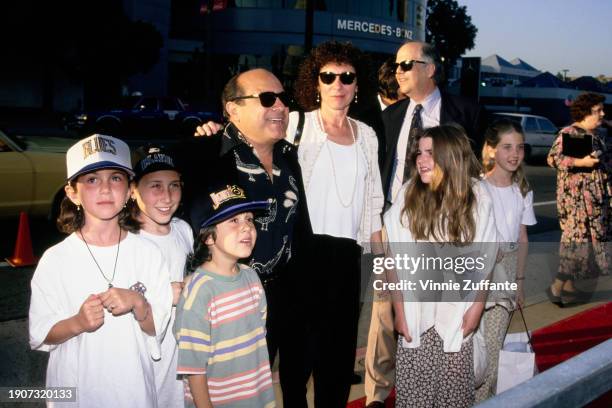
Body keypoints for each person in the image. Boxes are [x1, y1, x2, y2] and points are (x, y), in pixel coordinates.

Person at [174, 68, 312, 406]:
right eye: (267, 98)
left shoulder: (289, 156)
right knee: (230, 390)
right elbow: (161, 204)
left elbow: (299, 226)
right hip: (229, 301)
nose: (281, 106)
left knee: (283, 386)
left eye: (284, 99)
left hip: (287, 295)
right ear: (232, 109)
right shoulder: (204, 154)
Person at [364, 40, 486, 408]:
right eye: (397, 65)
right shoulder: (389, 117)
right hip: (393, 225)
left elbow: (475, 170)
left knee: (440, 307)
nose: (398, 71)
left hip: (445, 227)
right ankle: (376, 394)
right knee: (385, 309)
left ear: (430, 69)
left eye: (407, 64)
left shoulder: (466, 112)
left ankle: (440, 383)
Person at [29, 134, 172, 407]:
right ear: (72, 193)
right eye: (92, 180)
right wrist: (78, 323)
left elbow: (157, 329)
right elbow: (41, 333)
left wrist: (138, 303)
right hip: (78, 392)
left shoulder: (148, 254)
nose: (105, 189)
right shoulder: (56, 260)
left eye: (115, 178)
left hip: (134, 392)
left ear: (130, 190)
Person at [285, 40, 384, 407]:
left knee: (338, 359)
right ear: (317, 82)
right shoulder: (297, 124)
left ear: (358, 86)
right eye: (329, 76)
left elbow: (373, 204)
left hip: (347, 258)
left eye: (347, 77)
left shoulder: (368, 136)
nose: (338, 84)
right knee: (297, 361)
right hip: (302, 256)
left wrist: (385, 264)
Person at [384, 125, 497, 407]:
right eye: (419, 153)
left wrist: (477, 307)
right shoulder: (409, 193)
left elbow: (486, 258)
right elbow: (393, 258)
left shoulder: (477, 196)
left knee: (453, 399)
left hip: (457, 317)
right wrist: (399, 310)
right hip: (416, 315)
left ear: (451, 157)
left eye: (430, 153)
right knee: (414, 399)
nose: (421, 160)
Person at [174, 184, 275, 408]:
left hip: (258, 397)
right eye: (234, 221)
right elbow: (194, 368)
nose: (246, 227)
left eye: (249, 219)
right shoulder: (201, 291)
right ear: (208, 237)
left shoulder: (252, 278)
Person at [476, 119, 537, 401]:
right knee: (470, 345)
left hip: (506, 273)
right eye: (507, 147)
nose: (515, 154)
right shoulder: (476, 188)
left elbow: (522, 237)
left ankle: (483, 400)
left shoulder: (522, 190)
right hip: (476, 271)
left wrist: (520, 282)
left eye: (520, 147)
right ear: (491, 150)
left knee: (492, 345)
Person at [130, 146, 194, 408]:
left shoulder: (183, 230)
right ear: (133, 190)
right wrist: (168, 294)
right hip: (143, 359)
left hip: (179, 355)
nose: (167, 196)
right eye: (155, 185)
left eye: (174, 185)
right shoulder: (125, 242)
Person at [546, 92, 611, 305]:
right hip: (578, 203)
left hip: (596, 201)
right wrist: (581, 163)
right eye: (597, 111)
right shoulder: (573, 132)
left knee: (588, 245)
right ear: (584, 113)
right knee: (576, 245)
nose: (602, 113)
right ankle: (557, 287)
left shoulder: (598, 134)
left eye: (602, 110)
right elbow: (554, 158)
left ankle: (569, 286)